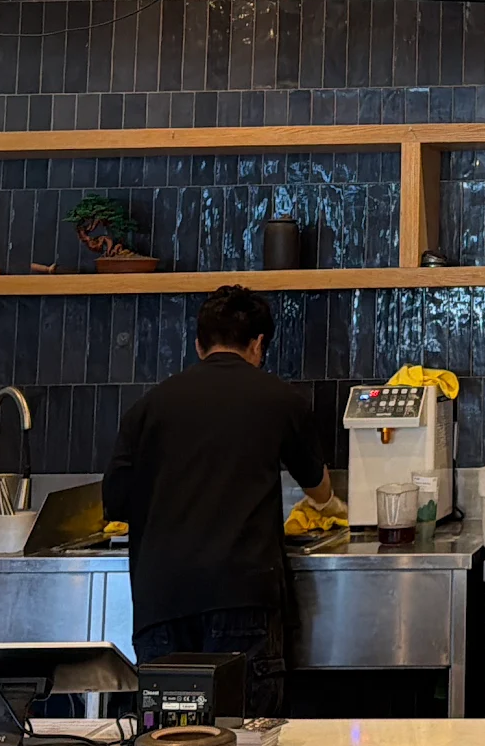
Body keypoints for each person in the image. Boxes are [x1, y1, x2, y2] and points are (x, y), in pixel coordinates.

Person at [102, 284, 336, 713]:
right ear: (258, 344)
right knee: (245, 742)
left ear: (198, 344)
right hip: (241, 593)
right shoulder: (281, 399)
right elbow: (319, 489)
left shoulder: (146, 408)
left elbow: (116, 504)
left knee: (172, 743)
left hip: (162, 598)